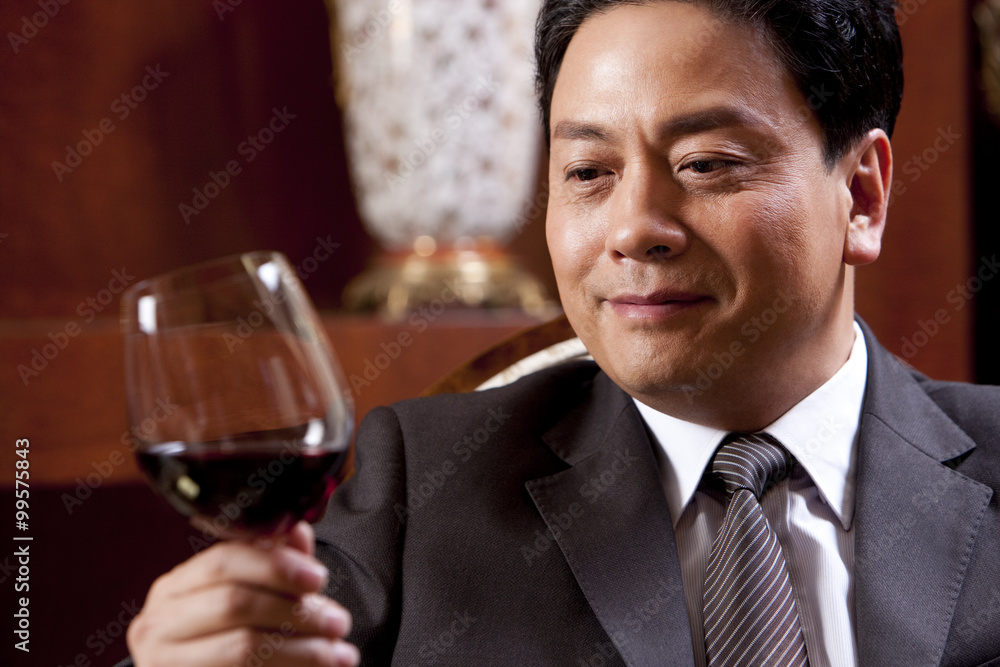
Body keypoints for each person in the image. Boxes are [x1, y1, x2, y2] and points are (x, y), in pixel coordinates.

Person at [122, 0, 1000, 665]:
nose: (634, 227)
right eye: (588, 170)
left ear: (863, 195)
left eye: (706, 164)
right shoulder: (424, 489)